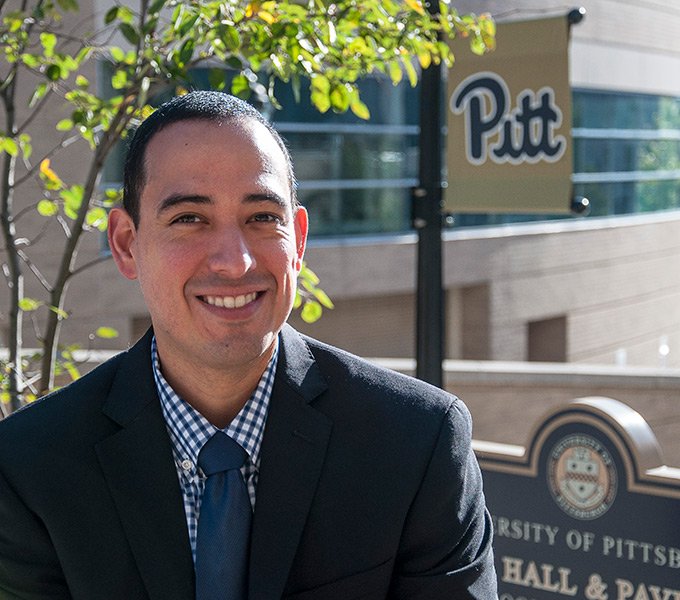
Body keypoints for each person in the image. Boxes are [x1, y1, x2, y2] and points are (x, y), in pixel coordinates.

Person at [0, 91, 497, 599]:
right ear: (127, 244)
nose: (234, 262)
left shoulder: (417, 444)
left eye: (262, 217)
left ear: (298, 242)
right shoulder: (30, 468)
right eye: (189, 219)